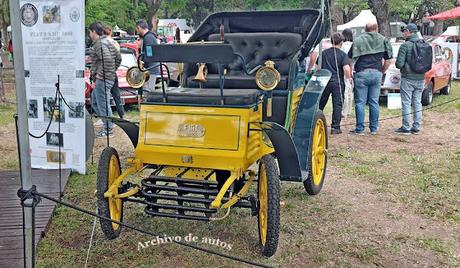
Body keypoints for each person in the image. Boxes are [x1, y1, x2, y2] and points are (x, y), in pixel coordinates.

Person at [348, 22, 393, 135]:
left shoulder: (358, 40)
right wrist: (382, 70)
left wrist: (351, 70)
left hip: (361, 73)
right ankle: (373, 128)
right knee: (374, 102)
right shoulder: (383, 40)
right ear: (377, 28)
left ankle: (360, 129)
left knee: (360, 102)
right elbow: (388, 60)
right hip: (377, 73)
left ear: (365, 29)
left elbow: (350, 58)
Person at [88, 22, 121, 138]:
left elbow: (107, 59)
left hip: (103, 79)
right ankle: (108, 123)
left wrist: (101, 75)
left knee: (102, 104)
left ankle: (108, 129)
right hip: (107, 77)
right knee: (95, 101)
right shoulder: (108, 41)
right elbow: (118, 58)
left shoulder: (100, 44)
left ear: (94, 32)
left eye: (90, 32)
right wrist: (112, 70)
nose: (89, 34)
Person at [317, 32, 352, 134]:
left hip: (324, 80)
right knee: (337, 104)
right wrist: (348, 79)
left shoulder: (323, 53)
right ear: (341, 42)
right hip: (337, 81)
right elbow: (346, 69)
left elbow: (317, 67)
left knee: (321, 102)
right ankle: (335, 127)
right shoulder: (342, 55)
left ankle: (314, 120)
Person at [394, 23, 425, 135]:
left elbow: (399, 64)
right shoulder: (424, 43)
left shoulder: (405, 45)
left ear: (409, 32)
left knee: (406, 102)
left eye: (405, 30)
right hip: (421, 78)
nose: (403, 33)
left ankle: (406, 127)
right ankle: (416, 127)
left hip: (408, 78)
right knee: (417, 102)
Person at [103, 26, 125, 119]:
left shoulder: (103, 43)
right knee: (116, 95)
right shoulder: (115, 43)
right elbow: (118, 58)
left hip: (106, 72)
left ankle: (107, 117)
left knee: (105, 97)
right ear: (111, 33)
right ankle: (121, 114)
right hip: (113, 71)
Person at [135, 19, 160, 93]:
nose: (137, 32)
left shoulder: (148, 38)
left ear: (139, 28)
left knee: (148, 91)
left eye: (137, 29)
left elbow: (149, 54)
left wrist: (143, 66)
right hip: (150, 68)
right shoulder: (149, 37)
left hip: (150, 69)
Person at [341, 28, 354, 118]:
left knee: (345, 90)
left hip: (345, 68)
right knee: (350, 91)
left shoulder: (343, 46)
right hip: (353, 69)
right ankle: (349, 110)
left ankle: (344, 111)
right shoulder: (354, 45)